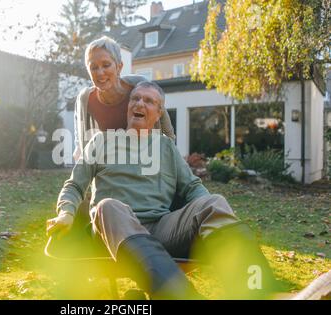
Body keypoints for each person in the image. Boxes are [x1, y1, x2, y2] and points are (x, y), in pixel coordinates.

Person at [47, 81, 279, 299]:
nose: (139, 104)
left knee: (214, 201)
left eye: (148, 101)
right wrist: (66, 214)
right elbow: (74, 185)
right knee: (108, 206)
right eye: (135, 99)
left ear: (159, 114)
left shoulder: (166, 146)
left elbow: (192, 187)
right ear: (128, 107)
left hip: (160, 228)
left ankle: (256, 289)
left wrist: (209, 215)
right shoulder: (101, 141)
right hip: (112, 229)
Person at [73, 36, 175, 161]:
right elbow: (81, 140)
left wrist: (170, 154)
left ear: (119, 67)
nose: (100, 72)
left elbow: (162, 116)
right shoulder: (85, 99)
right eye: (93, 67)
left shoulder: (139, 86)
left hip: (147, 159)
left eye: (106, 65)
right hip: (111, 166)